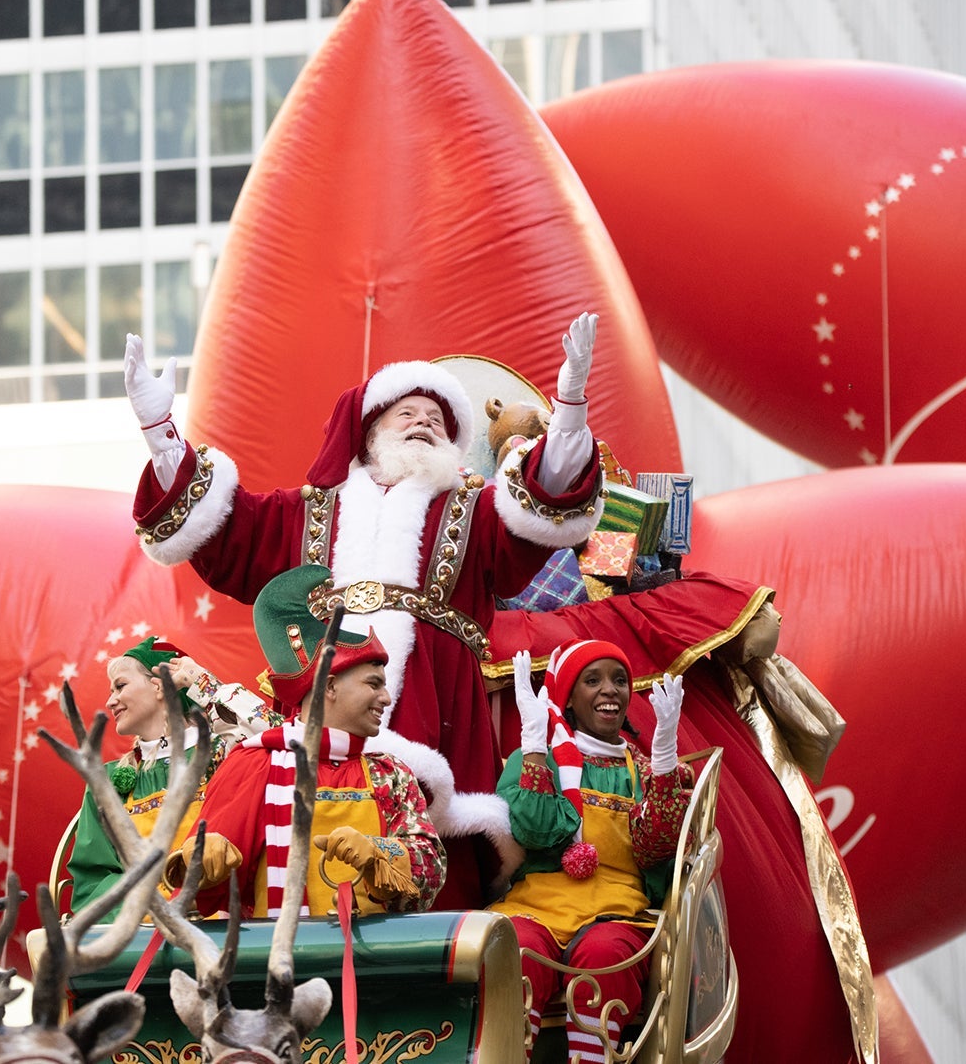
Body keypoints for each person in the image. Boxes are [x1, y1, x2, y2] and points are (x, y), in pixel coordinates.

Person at [123, 315, 605, 902]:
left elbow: (545, 507)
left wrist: (571, 408)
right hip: (320, 709)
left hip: (437, 705)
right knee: (293, 846)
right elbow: (223, 534)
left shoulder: (474, 509)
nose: (424, 425)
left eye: (438, 421)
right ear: (371, 429)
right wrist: (159, 433)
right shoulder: (306, 511)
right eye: (409, 414)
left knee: (437, 858)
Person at [164, 565, 447, 918]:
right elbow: (201, 899)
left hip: (373, 966)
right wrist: (203, 863)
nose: (387, 698)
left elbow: (432, 875)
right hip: (277, 963)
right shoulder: (255, 764)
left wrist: (380, 854)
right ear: (328, 686)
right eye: (374, 684)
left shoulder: (391, 774)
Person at [487, 640, 693, 1062]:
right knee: (515, 949)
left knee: (604, 955)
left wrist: (665, 762)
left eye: (620, 681)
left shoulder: (641, 768)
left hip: (616, 907)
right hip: (539, 903)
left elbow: (657, 848)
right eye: (592, 680)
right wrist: (531, 747)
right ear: (570, 699)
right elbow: (536, 832)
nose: (610, 690)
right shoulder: (533, 759)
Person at [61, 635, 280, 917]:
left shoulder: (226, 753)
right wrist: (151, 907)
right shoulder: (107, 780)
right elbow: (92, 882)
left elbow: (281, 737)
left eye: (120, 686)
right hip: (144, 942)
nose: (110, 700)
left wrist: (202, 682)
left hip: (227, 936)